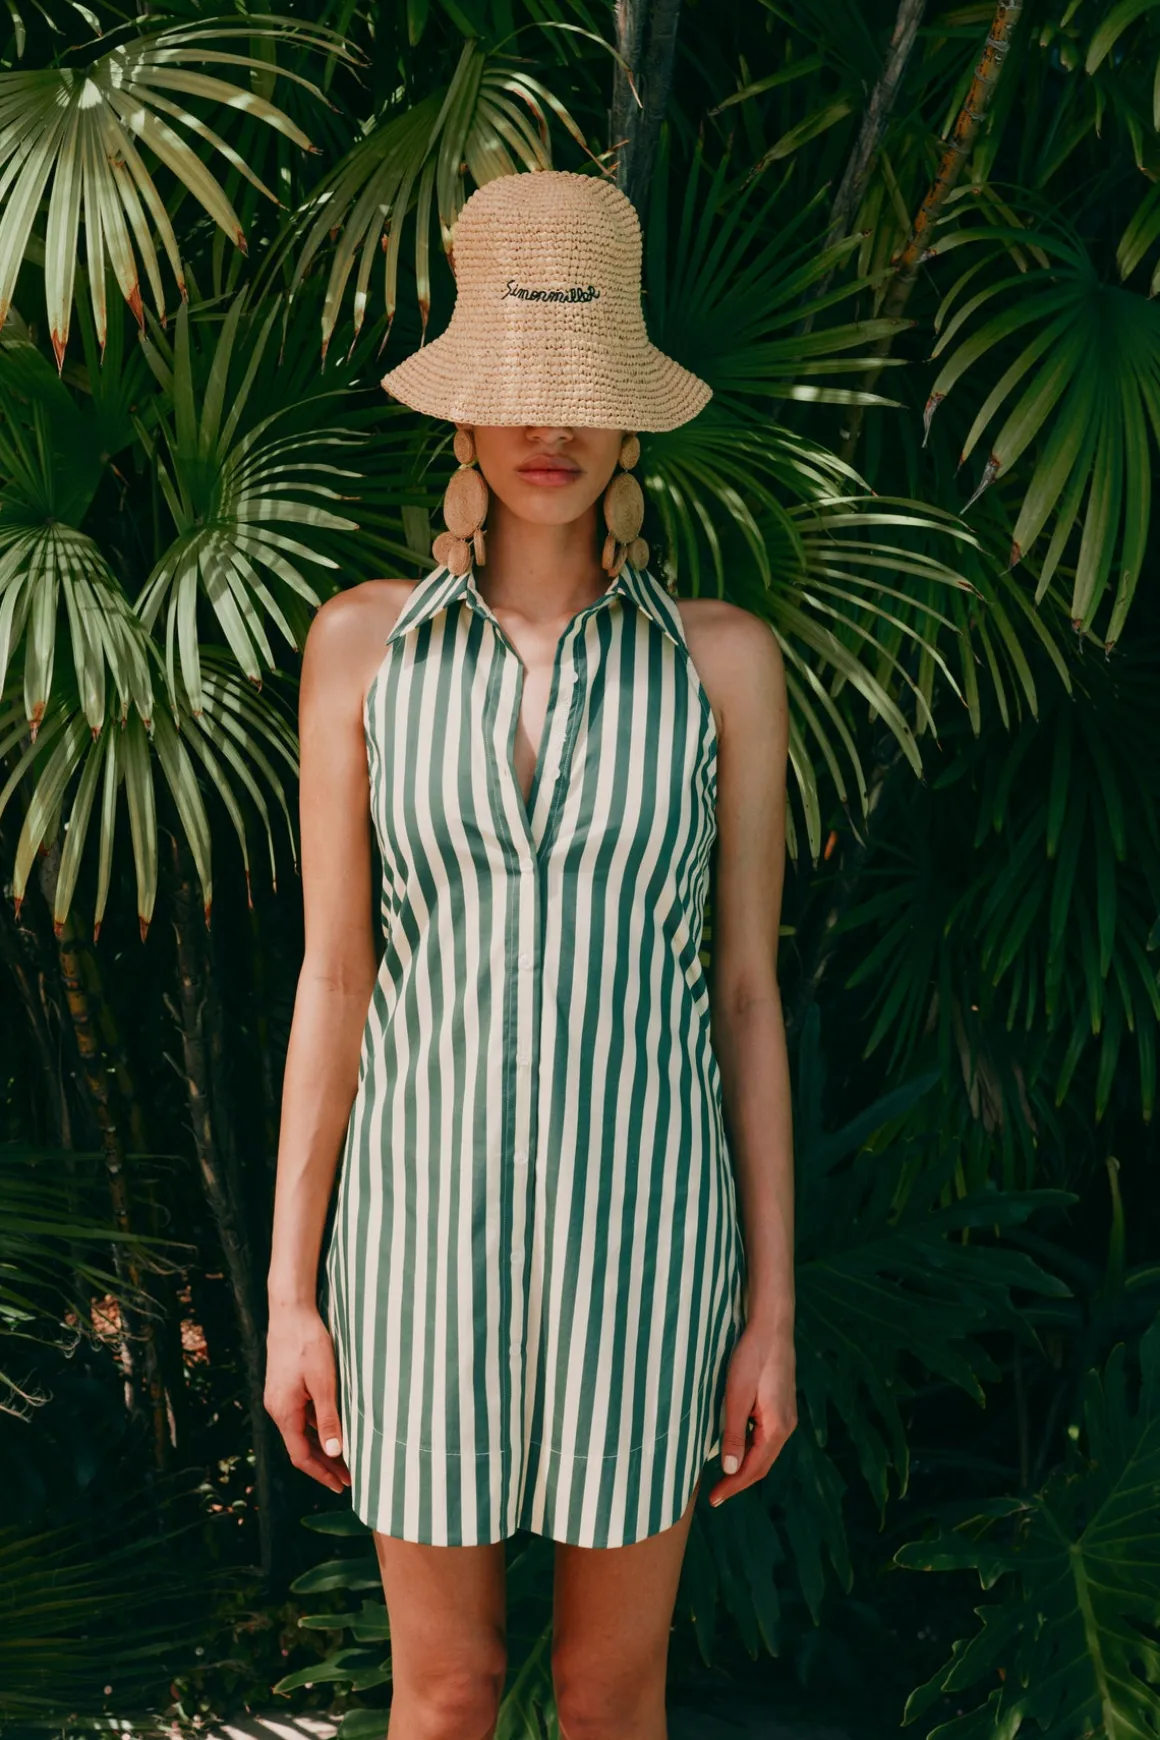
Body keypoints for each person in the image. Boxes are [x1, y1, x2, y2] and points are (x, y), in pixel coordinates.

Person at [265, 170, 796, 1740]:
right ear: (464, 412)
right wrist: (292, 1298)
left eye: (582, 390)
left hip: (651, 1248)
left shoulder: (724, 666)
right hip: (415, 1250)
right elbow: (334, 980)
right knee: (442, 1691)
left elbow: (745, 997)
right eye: (514, 385)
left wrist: (771, 1312)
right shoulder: (361, 648)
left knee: (609, 1690)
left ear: (631, 423)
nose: (547, 426)